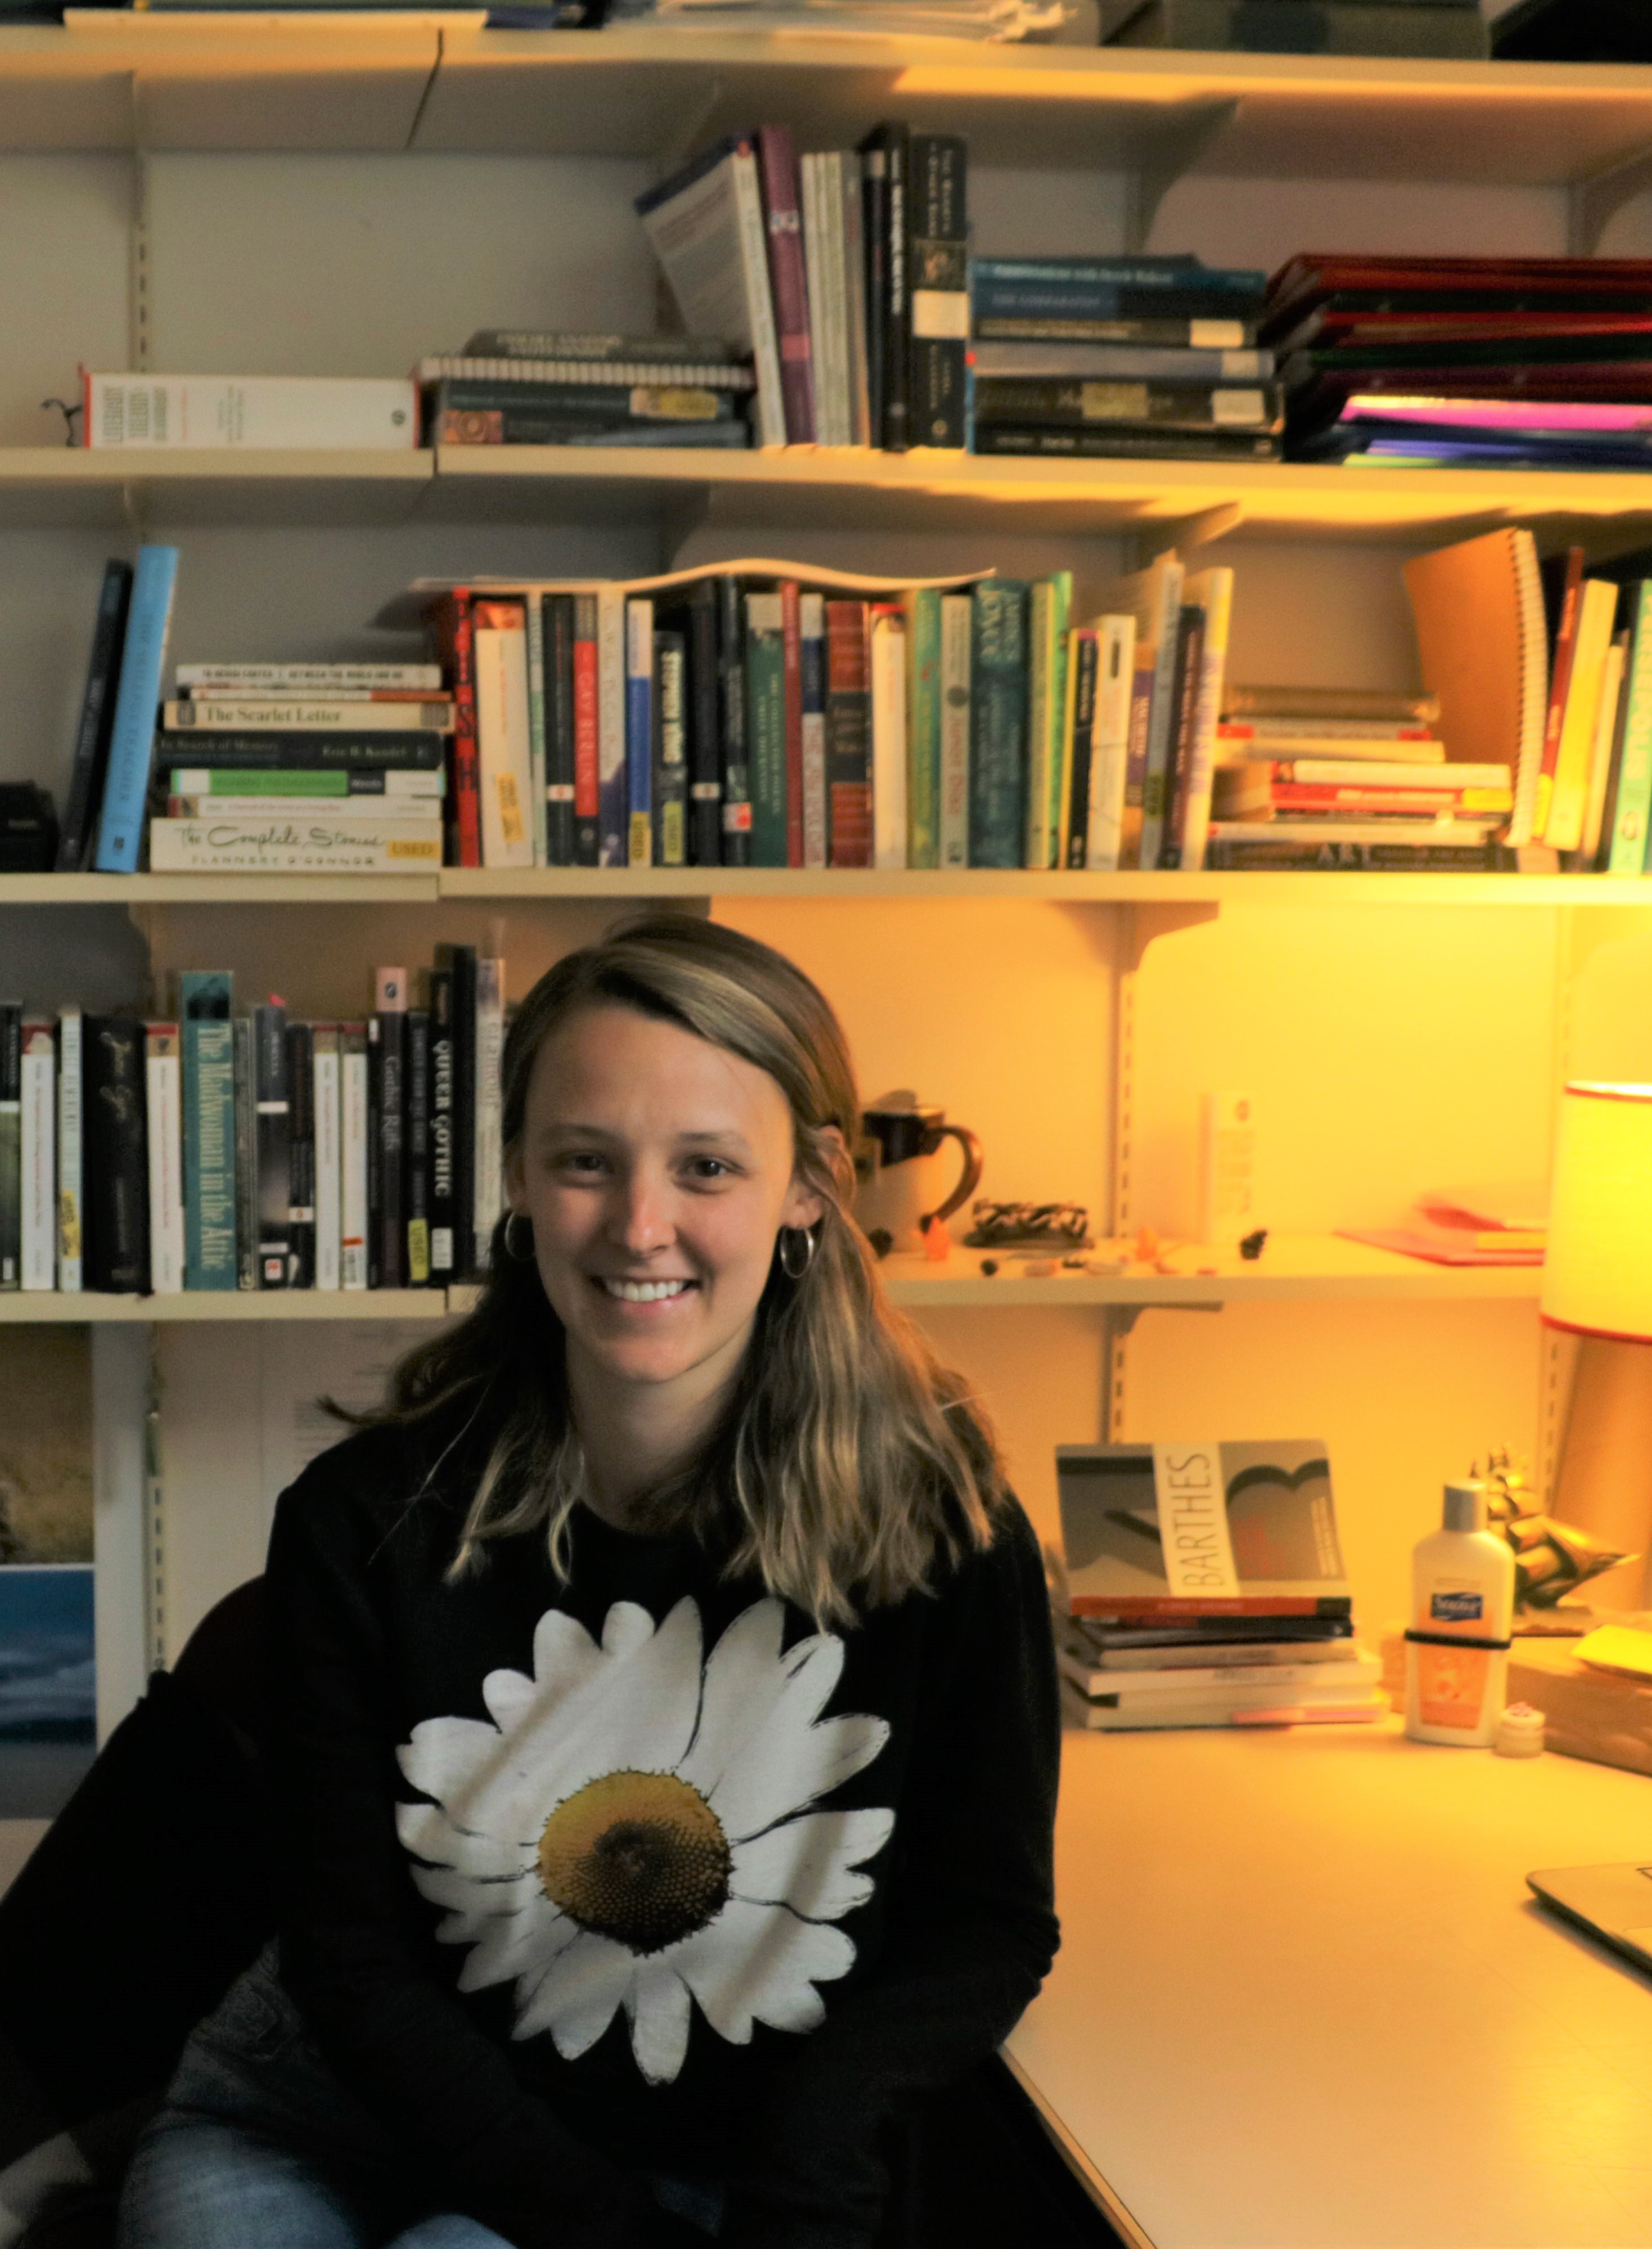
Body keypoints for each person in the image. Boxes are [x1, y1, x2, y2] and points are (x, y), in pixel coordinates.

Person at [120, 916, 1064, 2249]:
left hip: (676, 2140)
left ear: (813, 1184)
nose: (640, 1224)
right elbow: (353, 1961)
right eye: (585, 1161)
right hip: (312, 2115)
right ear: (515, 1171)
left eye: (708, 1166)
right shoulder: (362, 1521)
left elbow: (984, 1924)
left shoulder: (946, 1529)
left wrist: (803, 2178)